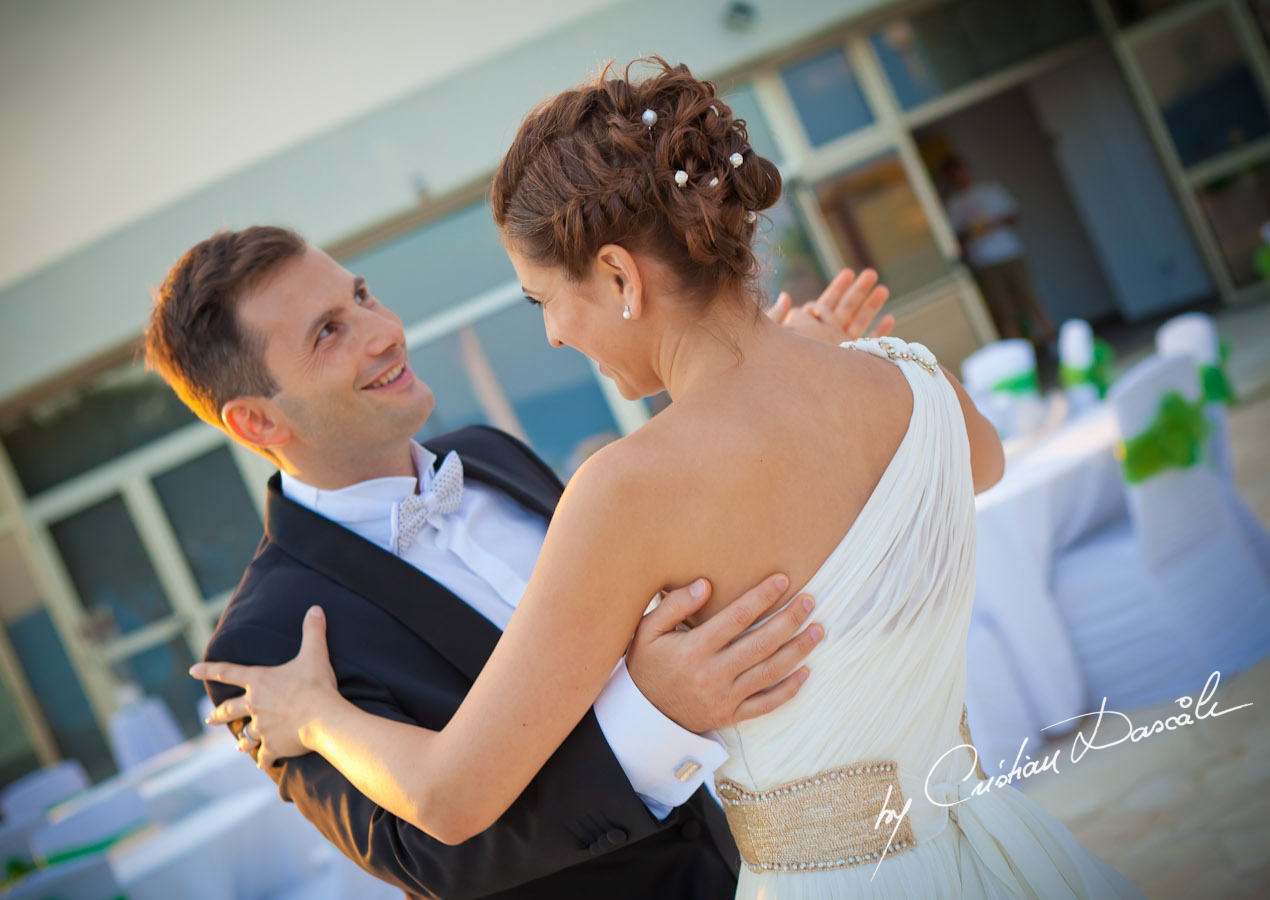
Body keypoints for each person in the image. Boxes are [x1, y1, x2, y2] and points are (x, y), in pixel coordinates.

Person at [197, 60, 1145, 899]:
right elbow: (980, 464)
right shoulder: (912, 380)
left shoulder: (626, 488)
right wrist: (802, 361)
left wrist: (316, 715)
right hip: (996, 851)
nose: (556, 335)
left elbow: (446, 796)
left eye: (545, 301)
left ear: (617, 276)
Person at [145, 218, 893, 894]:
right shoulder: (264, 647)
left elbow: (664, 583)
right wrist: (652, 720)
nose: (384, 332)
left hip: (762, 865)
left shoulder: (488, 453)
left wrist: (763, 392)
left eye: (364, 296)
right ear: (255, 419)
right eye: (328, 333)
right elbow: (427, 857)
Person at [942, 156, 1056, 351]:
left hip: (1009, 253)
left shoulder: (990, 190)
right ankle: (1018, 357)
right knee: (1004, 312)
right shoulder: (953, 205)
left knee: (1030, 301)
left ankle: (1053, 343)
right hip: (984, 261)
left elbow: (1014, 215)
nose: (959, 178)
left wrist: (991, 223)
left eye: (961, 172)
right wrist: (971, 232)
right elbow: (954, 237)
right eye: (954, 176)